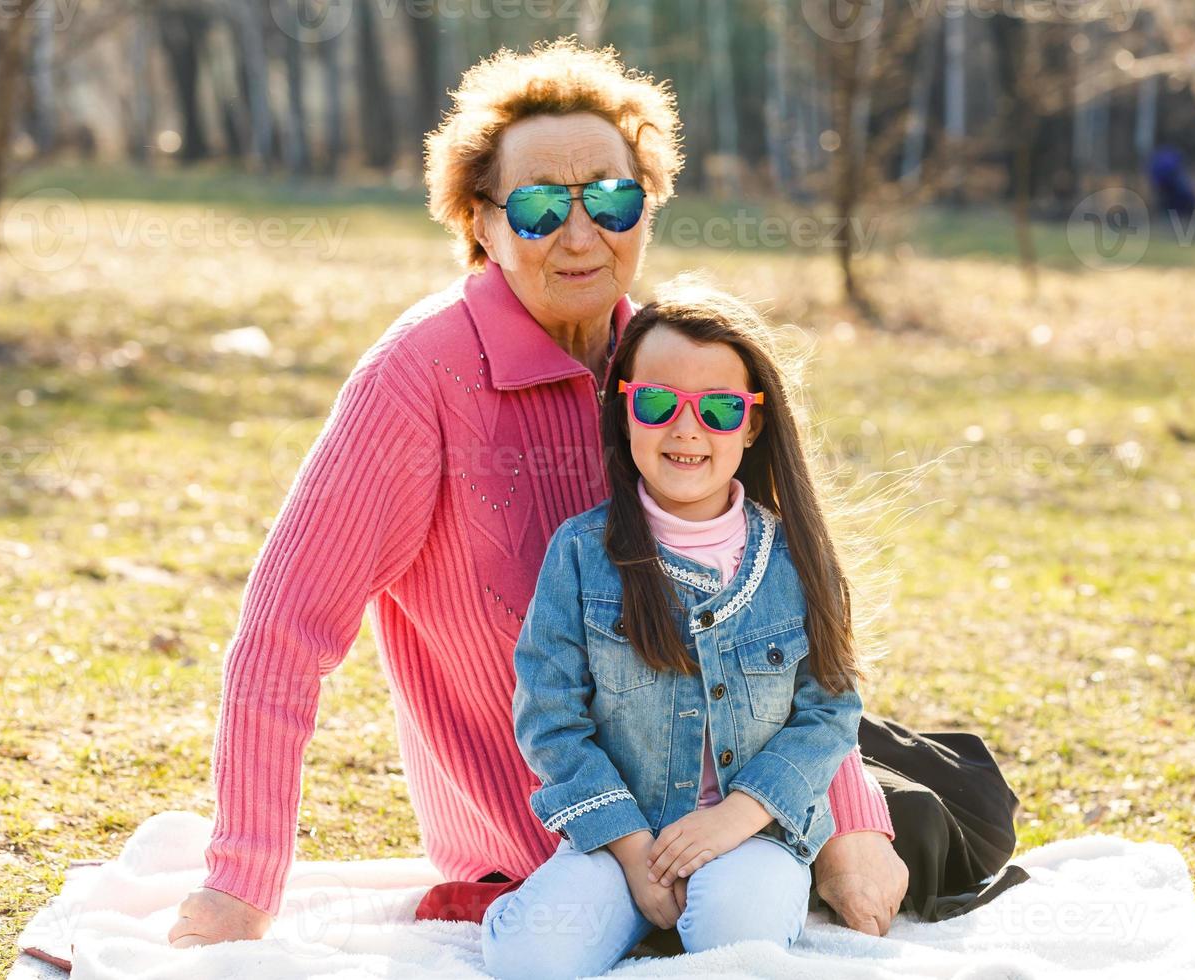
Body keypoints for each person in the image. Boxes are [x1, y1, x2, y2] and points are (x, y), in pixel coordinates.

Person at [169, 39, 1020, 951]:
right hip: (552, 831)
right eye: (538, 207)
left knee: (940, 818)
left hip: (722, 785)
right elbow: (283, 630)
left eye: (611, 199)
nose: (581, 236)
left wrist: (852, 823)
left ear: (645, 207)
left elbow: (782, 613)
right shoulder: (418, 382)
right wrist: (240, 884)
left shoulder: (666, 369)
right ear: (480, 224)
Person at [481, 283, 867, 978]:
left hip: (752, 835)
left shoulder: (796, 559)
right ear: (624, 408)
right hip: (617, 837)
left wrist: (735, 819)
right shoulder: (581, 555)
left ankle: (704, 915)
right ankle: (616, 916)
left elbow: (829, 712)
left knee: (734, 939)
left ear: (751, 424)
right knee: (534, 959)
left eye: (717, 409)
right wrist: (631, 851)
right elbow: (551, 719)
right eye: (658, 404)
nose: (686, 431)